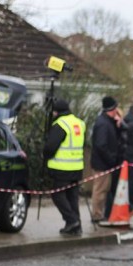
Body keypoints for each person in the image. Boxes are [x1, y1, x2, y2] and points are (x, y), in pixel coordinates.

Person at [43, 99, 86, 236]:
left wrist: (44, 154)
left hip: (62, 167)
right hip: (77, 167)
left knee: (57, 195)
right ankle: (75, 226)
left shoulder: (61, 124)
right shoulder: (79, 123)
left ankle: (72, 220)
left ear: (56, 112)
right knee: (72, 196)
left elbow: (50, 147)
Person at [90, 96, 124, 224]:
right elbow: (101, 145)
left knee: (103, 190)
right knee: (100, 191)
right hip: (102, 164)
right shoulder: (103, 124)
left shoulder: (108, 122)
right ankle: (97, 215)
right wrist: (111, 159)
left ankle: (99, 214)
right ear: (112, 109)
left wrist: (118, 125)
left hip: (105, 163)